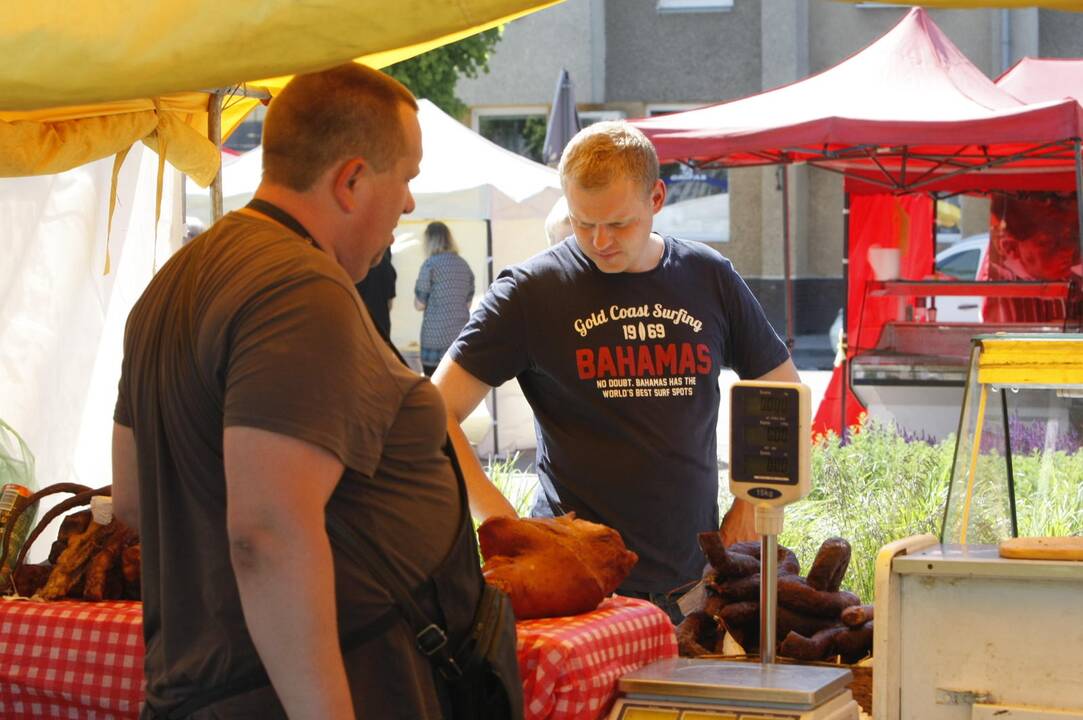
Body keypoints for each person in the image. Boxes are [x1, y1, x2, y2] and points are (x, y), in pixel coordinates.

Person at [112, 64, 506, 719]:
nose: (410, 204)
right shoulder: (300, 291)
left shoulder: (173, 282)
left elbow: (132, 499)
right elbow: (267, 533)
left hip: (214, 686)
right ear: (351, 179)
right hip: (312, 690)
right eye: (406, 177)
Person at [433, 121, 799, 623]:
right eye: (584, 224)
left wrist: (749, 501)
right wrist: (508, 525)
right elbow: (435, 412)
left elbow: (781, 390)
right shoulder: (530, 291)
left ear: (657, 197)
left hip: (691, 584)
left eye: (619, 224)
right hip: (577, 593)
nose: (599, 241)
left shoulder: (708, 276)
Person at [414, 221, 475, 376]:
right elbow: (467, 304)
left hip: (434, 340)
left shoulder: (430, 265)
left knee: (434, 389)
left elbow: (420, 304)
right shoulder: (464, 265)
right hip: (459, 338)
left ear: (429, 241)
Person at [355, 246, 397, 339]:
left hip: (358, 326)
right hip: (382, 328)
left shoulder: (355, 266)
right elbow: (389, 304)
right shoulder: (389, 268)